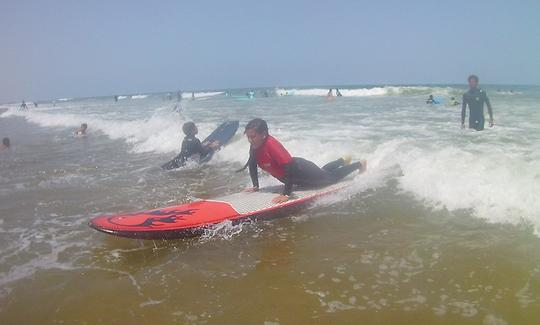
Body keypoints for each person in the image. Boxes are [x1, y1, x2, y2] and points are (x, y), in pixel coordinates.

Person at [241, 118, 367, 204]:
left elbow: (288, 168)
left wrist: (286, 194)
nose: (250, 140)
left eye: (253, 136)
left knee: (330, 178)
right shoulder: (255, 145)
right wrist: (255, 186)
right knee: (323, 172)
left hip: (303, 171)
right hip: (298, 175)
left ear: (263, 134)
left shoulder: (271, 144)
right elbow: (252, 165)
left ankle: (359, 164)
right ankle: (342, 160)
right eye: (248, 137)